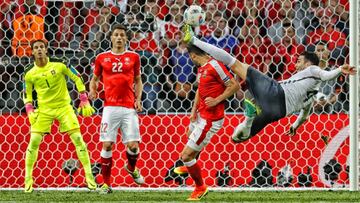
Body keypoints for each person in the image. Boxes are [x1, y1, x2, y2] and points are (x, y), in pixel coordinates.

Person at [181, 24, 356, 143]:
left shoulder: (313, 71)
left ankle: (195, 40)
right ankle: (249, 120)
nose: (296, 65)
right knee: (237, 138)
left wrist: (340, 69)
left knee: (235, 63)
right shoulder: (310, 96)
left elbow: (326, 76)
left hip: (276, 92)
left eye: (300, 61)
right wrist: (294, 127)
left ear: (309, 63)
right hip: (278, 113)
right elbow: (304, 116)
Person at [23, 39, 96, 193]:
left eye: (42, 47)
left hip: (64, 107)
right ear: (32, 52)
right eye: (36, 48)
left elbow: (76, 77)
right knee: (34, 140)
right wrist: (29, 110)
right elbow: (27, 94)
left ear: (46, 49)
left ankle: (89, 176)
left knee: (77, 138)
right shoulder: (29, 73)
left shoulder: (60, 63)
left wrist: (83, 98)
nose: (40, 50)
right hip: (44, 110)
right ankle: (28, 179)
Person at [178, 44, 239, 200]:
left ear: (192, 56)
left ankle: (200, 187)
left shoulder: (215, 66)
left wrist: (218, 99)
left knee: (185, 156)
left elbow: (234, 85)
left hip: (211, 119)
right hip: (200, 115)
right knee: (189, 134)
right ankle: (192, 166)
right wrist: (193, 112)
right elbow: (200, 90)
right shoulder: (202, 68)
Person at [89, 24, 144, 194]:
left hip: (128, 107)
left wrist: (138, 99)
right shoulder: (101, 57)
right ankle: (106, 184)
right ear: (111, 38)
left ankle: (131, 168)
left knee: (133, 146)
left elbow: (138, 80)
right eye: (116, 35)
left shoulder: (134, 56)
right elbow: (95, 79)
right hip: (110, 107)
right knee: (107, 144)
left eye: (122, 35)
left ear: (126, 38)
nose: (119, 38)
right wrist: (92, 90)